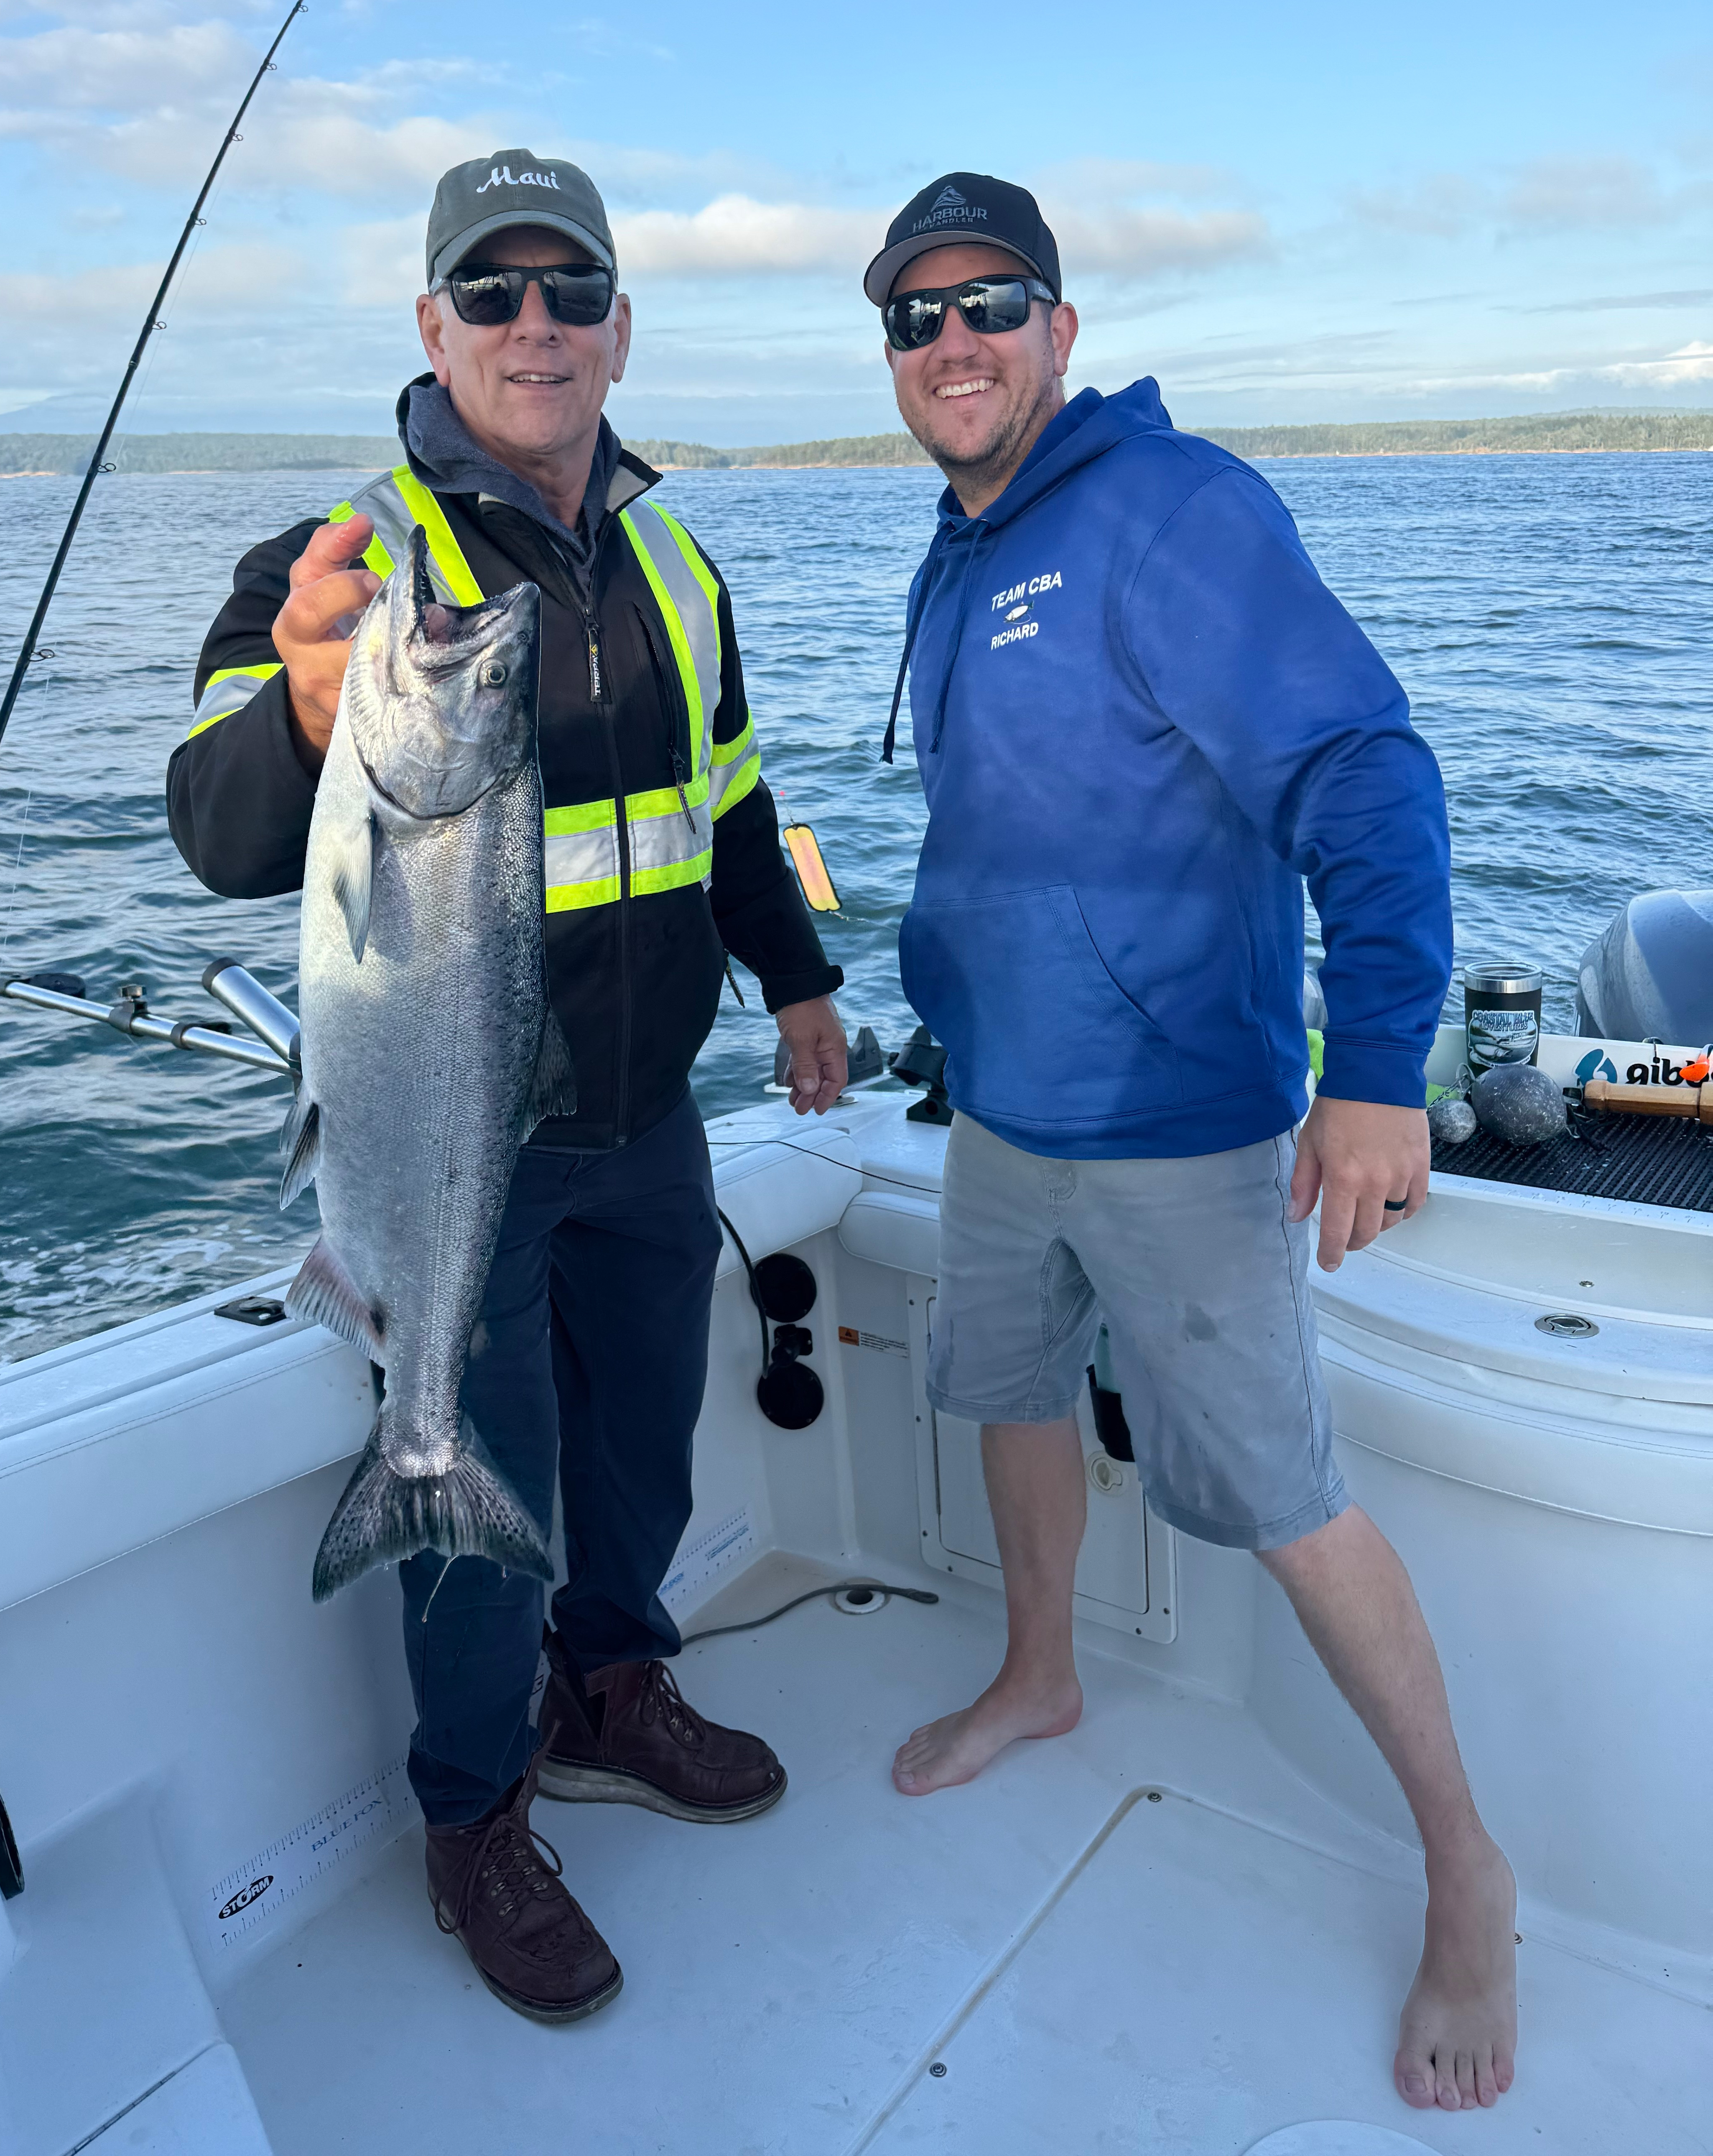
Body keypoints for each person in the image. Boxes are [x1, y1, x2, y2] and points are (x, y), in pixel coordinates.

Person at [168, 148, 848, 2025]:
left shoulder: (678, 556)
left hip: (649, 1116)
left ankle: (616, 1686)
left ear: (622, 328)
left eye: (570, 293)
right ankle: (476, 1817)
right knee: (485, 1479)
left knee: (643, 1446)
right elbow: (213, 826)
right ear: (432, 326)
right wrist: (308, 708)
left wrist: (797, 985)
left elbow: (732, 804)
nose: (533, 326)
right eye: (493, 292)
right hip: (454, 1137)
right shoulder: (343, 562)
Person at [865, 173, 1517, 2117]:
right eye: (917, 317)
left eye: (994, 305)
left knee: (1287, 1496)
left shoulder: (1173, 511)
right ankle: (1042, 1671)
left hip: (1176, 1126)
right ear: (891, 355)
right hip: (997, 1100)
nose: (955, 342)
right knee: (1006, 1390)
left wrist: (1379, 1067)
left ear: (1062, 329)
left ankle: (1466, 1869)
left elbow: (1365, 772)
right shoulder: (963, 540)